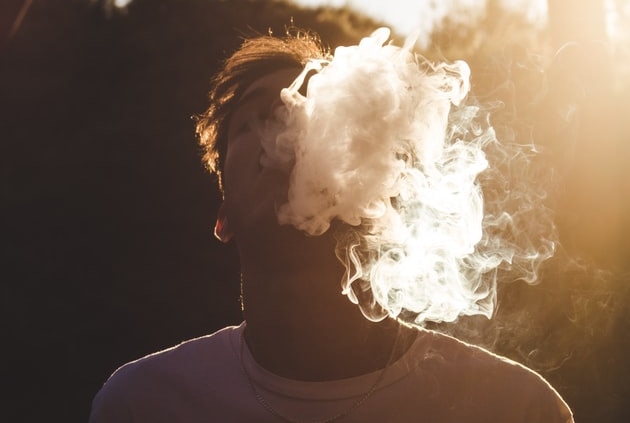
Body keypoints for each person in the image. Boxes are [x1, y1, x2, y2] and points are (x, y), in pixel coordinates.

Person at [89, 29, 574, 423]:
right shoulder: (144, 405)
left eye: (309, 111)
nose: (285, 129)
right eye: (256, 119)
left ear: (384, 188)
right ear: (225, 217)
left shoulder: (513, 408)